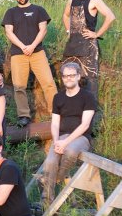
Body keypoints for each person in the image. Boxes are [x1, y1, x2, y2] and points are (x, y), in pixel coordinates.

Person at [2, 0, 58, 127]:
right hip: (18, 54)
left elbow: (43, 30)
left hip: (37, 52)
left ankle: (55, 112)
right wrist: (23, 46)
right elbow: (9, 31)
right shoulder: (11, 12)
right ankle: (24, 116)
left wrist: (32, 46)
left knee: (49, 83)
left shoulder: (38, 10)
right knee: (19, 86)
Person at [40, 62, 96, 206]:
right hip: (61, 137)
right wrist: (57, 141)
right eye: (65, 76)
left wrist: (64, 143)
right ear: (63, 78)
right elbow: (54, 123)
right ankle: (46, 202)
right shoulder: (58, 97)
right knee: (50, 162)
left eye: (72, 75)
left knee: (70, 151)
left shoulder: (87, 97)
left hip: (81, 138)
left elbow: (85, 125)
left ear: (78, 76)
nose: (68, 78)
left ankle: (55, 179)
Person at [62, 0, 116, 98]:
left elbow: (110, 16)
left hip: (88, 46)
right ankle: (72, 109)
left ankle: (91, 111)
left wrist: (97, 34)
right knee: (69, 77)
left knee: (90, 81)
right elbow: (65, 15)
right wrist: (68, 30)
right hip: (72, 45)